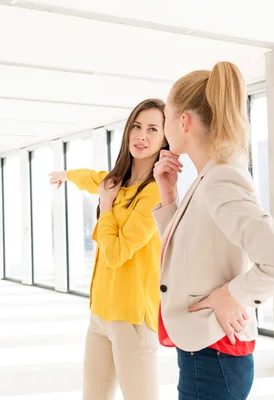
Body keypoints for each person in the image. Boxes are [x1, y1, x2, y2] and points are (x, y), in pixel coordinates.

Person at [152, 62, 274, 400]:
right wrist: (168, 196)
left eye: (165, 117)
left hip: (214, 354)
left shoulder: (220, 179)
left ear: (184, 121)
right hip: (206, 351)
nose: (163, 127)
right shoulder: (208, 178)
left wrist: (232, 294)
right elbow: (191, 253)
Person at [49, 99, 168, 400]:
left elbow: (115, 253)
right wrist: (64, 174)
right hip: (99, 314)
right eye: (137, 127)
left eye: (153, 129)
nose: (142, 135)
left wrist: (105, 206)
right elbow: (90, 178)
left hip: (132, 319)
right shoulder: (116, 181)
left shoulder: (155, 192)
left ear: (165, 139)